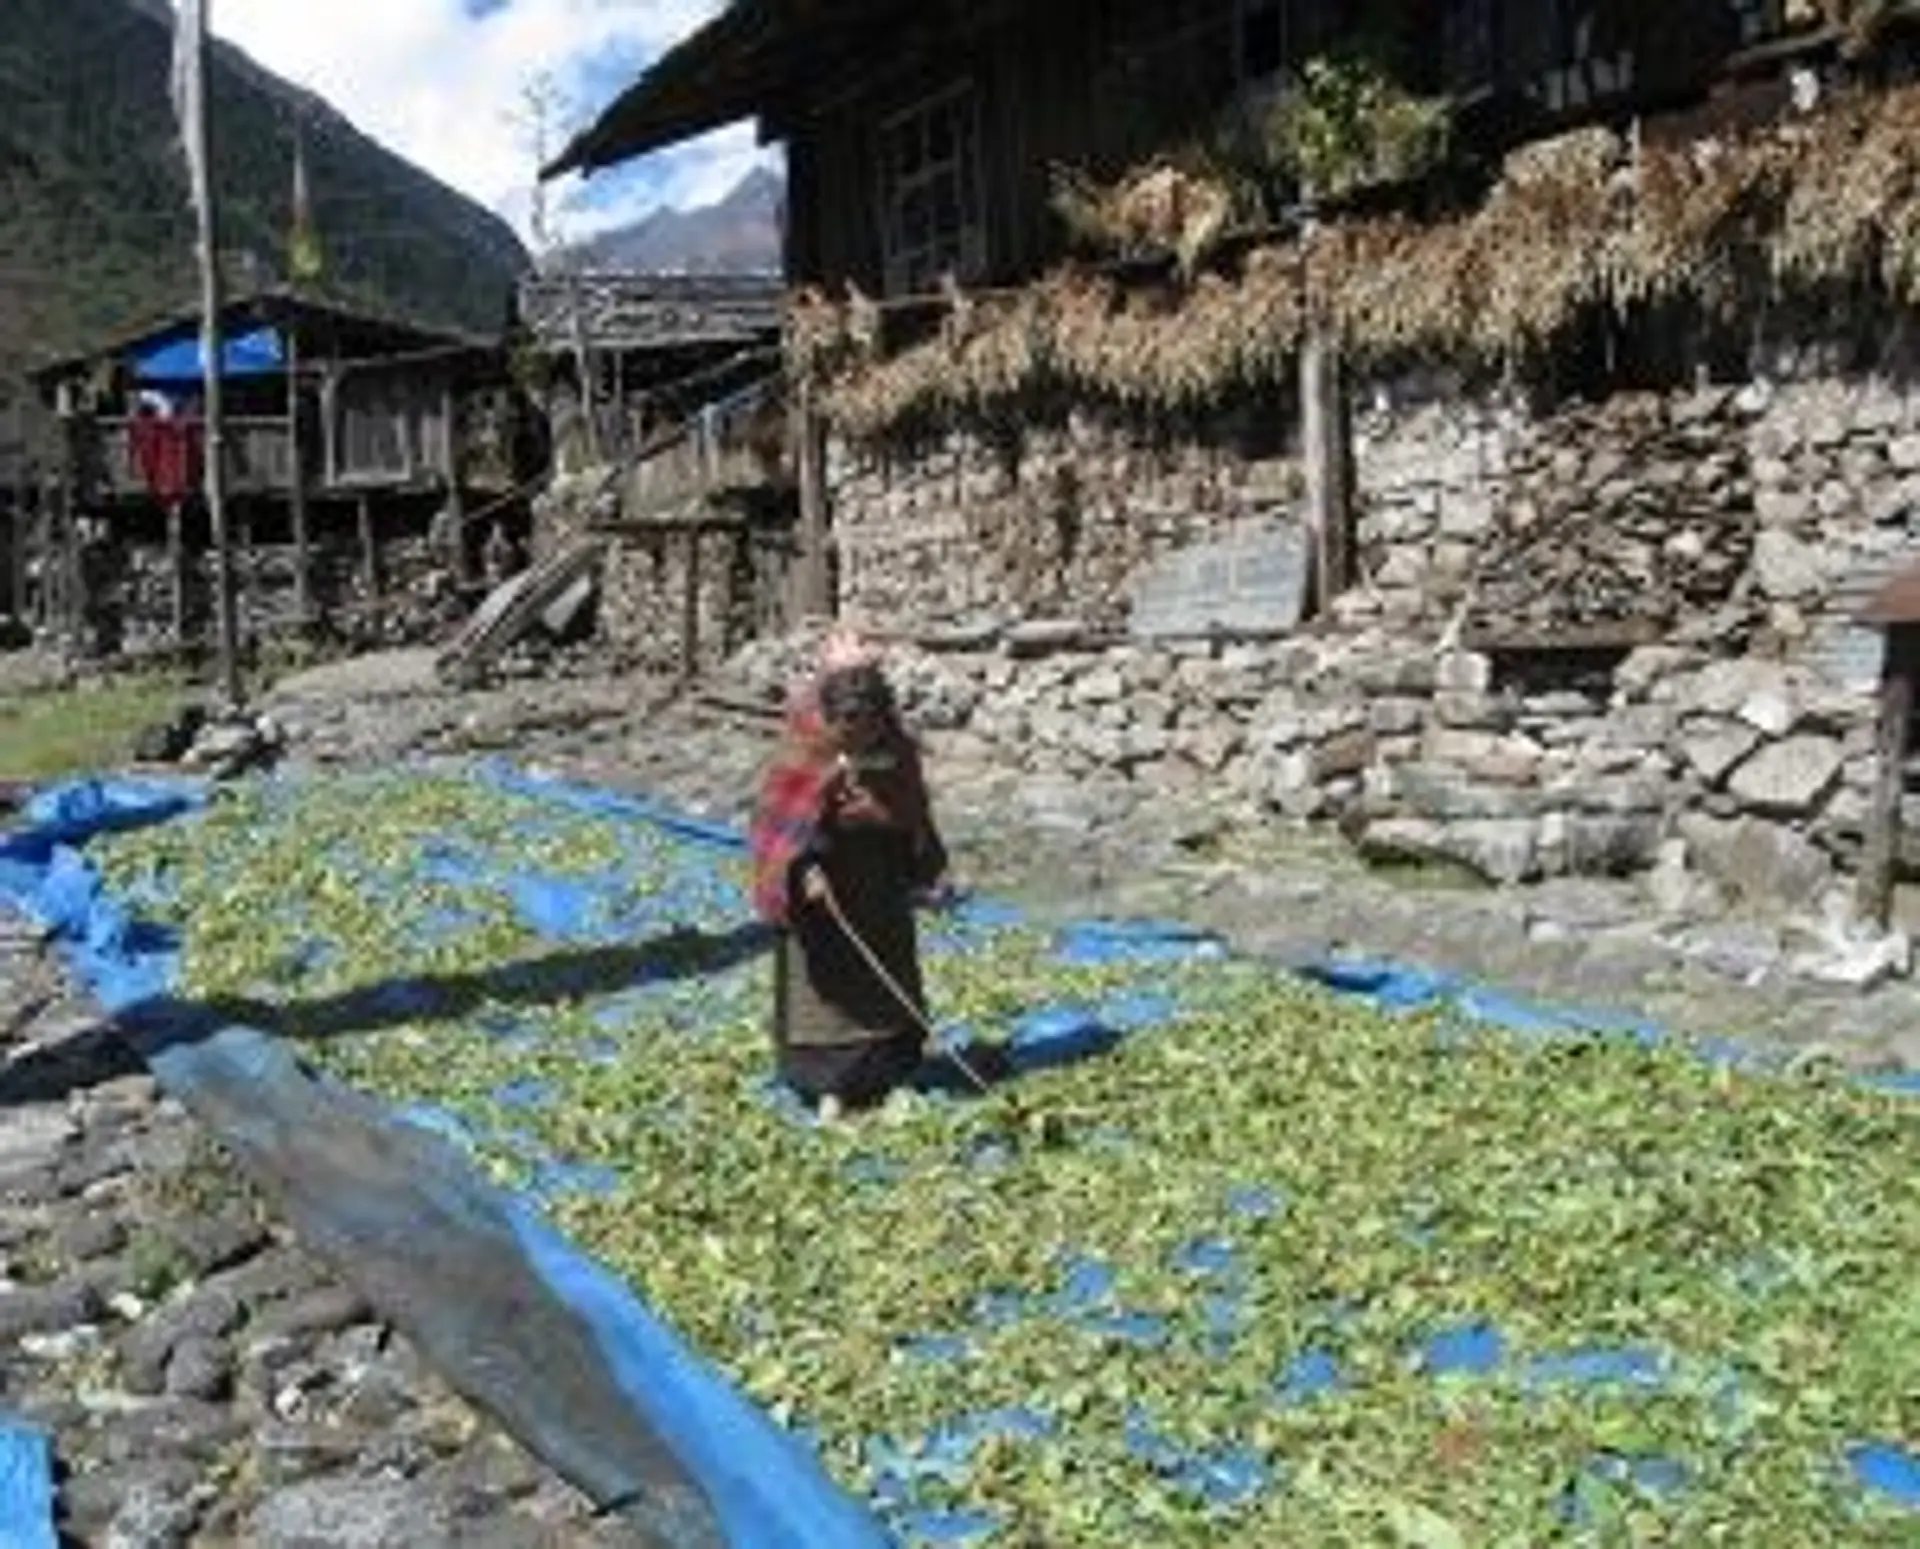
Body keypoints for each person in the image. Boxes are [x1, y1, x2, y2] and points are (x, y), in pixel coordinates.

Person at [749, 631, 951, 1118]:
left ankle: (890, 1072)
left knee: (886, 978)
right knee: (824, 989)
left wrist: (891, 824)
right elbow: (777, 823)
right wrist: (803, 867)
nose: (859, 738)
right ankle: (829, 1086)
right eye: (848, 728)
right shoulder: (805, 745)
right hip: (822, 893)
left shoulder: (896, 747)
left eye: (868, 727)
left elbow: (912, 811)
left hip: (878, 884)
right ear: (830, 716)